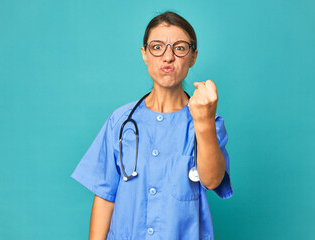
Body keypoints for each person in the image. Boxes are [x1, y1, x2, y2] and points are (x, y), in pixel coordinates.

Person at [71, 11, 233, 240]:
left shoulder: (208, 121)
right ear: (145, 54)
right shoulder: (120, 121)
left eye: (179, 48)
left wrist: (204, 121)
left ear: (193, 56)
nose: (168, 57)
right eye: (157, 47)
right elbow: (105, 196)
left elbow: (212, 179)